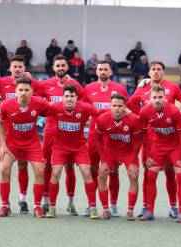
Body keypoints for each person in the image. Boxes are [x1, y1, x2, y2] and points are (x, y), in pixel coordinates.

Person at [130, 61, 181, 219]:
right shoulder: (142, 88)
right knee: (148, 173)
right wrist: (139, 114)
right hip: (152, 141)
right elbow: (130, 103)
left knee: (174, 173)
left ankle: (176, 208)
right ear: (149, 72)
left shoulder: (173, 89)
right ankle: (147, 208)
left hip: (172, 140)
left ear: (163, 72)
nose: (156, 72)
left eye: (159, 69)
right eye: (153, 69)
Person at [0, 76, 51, 218]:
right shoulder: (6, 104)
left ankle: (37, 206)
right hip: (12, 144)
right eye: (20, 90)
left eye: (26, 90)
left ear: (32, 91)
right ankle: (5, 206)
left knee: (40, 170)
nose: (23, 93)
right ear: (15, 91)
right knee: (3, 169)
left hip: (32, 143)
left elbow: (54, 110)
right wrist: (3, 145)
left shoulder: (39, 103)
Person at [36, 54, 84, 216]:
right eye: (58, 66)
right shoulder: (45, 85)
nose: (61, 68)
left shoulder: (75, 85)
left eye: (63, 65)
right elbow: (35, 98)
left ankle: (70, 203)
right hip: (51, 132)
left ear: (67, 67)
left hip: (70, 134)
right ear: (54, 68)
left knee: (70, 168)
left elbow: (84, 102)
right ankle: (46, 202)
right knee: (47, 166)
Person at [44, 85, 101, 219]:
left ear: (77, 98)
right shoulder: (54, 107)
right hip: (59, 147)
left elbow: (100, 112)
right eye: (67, 96)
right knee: (56, 172)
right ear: (62, 97)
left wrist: (123, 112)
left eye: (72, 96)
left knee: (87, 173)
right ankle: (52, 207)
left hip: (79, 147)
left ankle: (93, 207)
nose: (69, 99)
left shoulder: (85, 107)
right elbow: (37, 107)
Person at [83, 61, 129, 217]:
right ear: (96, 72)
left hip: (113, 137)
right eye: (100, 69)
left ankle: (114, 205)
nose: (103, 71)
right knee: (93, 170)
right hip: (94, 136)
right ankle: (91, 205)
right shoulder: (88, 89)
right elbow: (83, 110)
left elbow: (127, 111)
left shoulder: (120, 89)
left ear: (111, 72)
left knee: (113, 171)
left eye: (106, 69)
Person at [0, 55, 40, 214]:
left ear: (24, 69)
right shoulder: (0, 82)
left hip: (26, 135)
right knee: (4, 168)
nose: (17, 69)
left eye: (20, 67)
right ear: (10, 68)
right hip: (7, 135)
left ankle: (23, 200)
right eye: (14, 66)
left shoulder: (31, 84)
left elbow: (44, 92)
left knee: (23, 165)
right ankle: (4, 205)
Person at [138, 85, 181, 222]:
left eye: (160, 97)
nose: (157, 100)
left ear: (165, 98)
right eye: (154, 97)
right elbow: (143, 134)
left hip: (175, 146)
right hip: (158, 146)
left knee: (180, 175)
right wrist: (147, 155)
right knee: (151, 174)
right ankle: (149, 211)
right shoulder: (144, 111)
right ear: (150, 99)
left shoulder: (174, 111)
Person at [96, 94, 142, 220]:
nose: (117, 108)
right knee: (102, 174)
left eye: (120, 106)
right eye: (114, 106)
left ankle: (130, 210)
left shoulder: (133, 119)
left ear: (124, 107)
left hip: (128, 152)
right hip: (110, 151)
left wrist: (133, 161)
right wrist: (104, 161)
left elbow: (138, 142)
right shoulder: (102, 119)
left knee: (134, 175)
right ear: (110, 106)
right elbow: (98, 141)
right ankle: (106, 209)